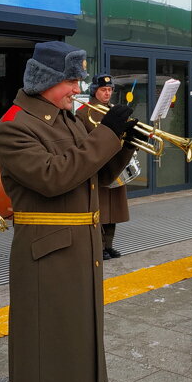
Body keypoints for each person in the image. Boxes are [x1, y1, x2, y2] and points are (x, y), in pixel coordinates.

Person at [0, 41, 137, 382]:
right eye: (70, 81)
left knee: (74, 349)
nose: (77, 89)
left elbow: (92, 175)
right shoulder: (15, 126)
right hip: (45, 255)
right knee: (42, 356)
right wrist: (105, 137)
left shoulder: (69, 119)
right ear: (44, 81)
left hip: (80, 251)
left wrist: (122, 141)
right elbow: (55, 177)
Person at [75, 73, 130, 259]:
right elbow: (83, 141)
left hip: (116, 162)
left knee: (113, 208)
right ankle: (98, 246)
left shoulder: (115, 110)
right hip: (98, 165)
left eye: (109, 90)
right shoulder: (83, 112)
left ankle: (109, 245)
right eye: (103, 90)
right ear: (94, 91)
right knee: (100, 207)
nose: (107, 94)